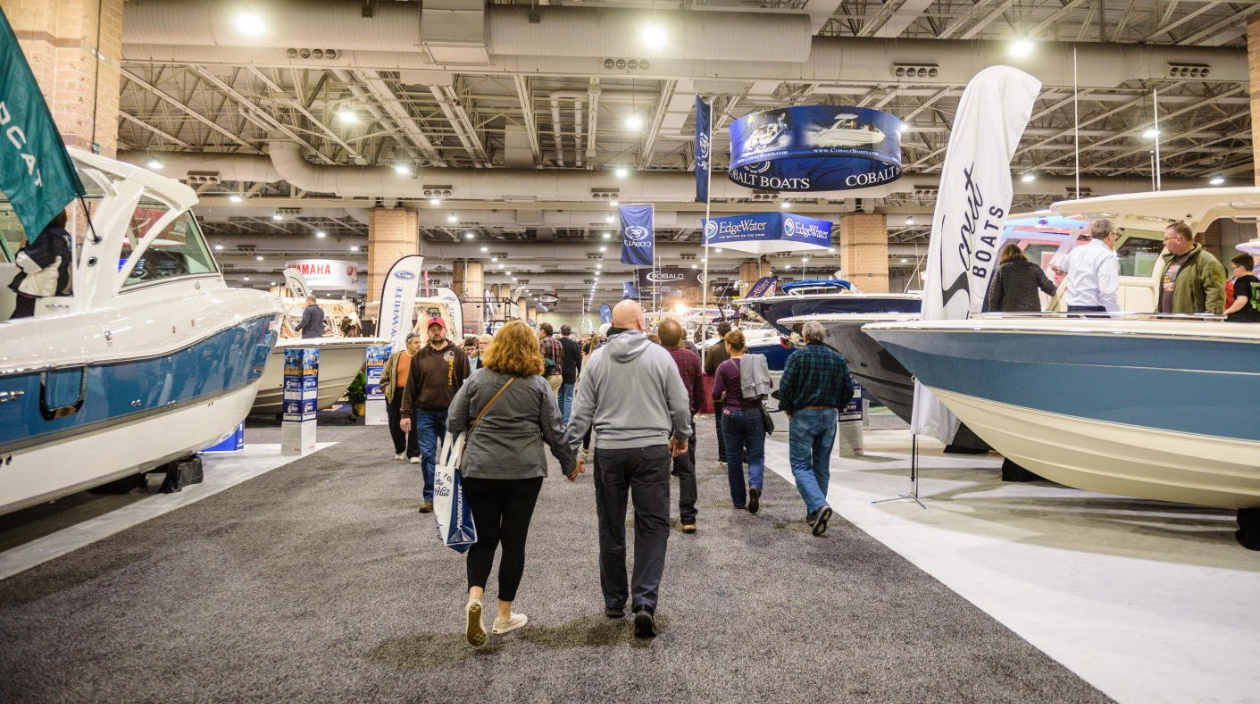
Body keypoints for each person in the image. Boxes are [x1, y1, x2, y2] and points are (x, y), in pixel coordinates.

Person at [562, 300, 690, 639]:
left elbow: (581, 411)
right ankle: (645, 602)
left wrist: (569, 451)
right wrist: (681, 435)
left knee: (611, 525)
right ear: (639, 321)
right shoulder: (660, 355)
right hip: (651, 450)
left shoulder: (598, 360)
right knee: (652, 525)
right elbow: (680, 403)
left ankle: (615, 601)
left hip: (609, 451)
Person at [447, 320, 576, 647]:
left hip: (479, 471)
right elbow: (554, 430)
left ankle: (475, 597)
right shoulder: (538, 385)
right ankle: (504, 617)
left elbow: (453, 420)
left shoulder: (476, 379)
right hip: (524, 472)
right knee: (514, 542)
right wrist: (569, 463)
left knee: (484, 539)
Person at [777, 321, 854, 536]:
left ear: (805, 337)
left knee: (801, 466)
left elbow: (785, 386)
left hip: (804, 414)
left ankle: (819, 506)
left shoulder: (797, 357)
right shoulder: (838, 359)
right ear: (823, 337)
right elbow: (848, 389)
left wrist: (788, 408)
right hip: (829, 415)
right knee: (821, 466)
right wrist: (836, 405)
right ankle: (814, 515)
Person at [400, 316, 472, 512]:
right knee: (428, 457)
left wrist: (469, 415)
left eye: (438, 328)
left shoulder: (459, 355)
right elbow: (410, 388)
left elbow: (467, 387)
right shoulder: (419, 357)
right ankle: (430, 497)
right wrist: (405, 414)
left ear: (445, 329)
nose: (436, 332)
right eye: (432, 329)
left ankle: (455, 496)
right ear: (427, 332)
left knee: (453, 457)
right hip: (425, 414)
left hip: (453, 414)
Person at [711, 329, 767, 514]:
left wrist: (726, 394)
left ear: (728, 346)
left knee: (733, 458)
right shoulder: (754, 363)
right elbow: (768, 384)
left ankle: (738, 500)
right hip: (753, 413)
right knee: (756, 455)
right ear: (743, 345)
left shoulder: (724, 367)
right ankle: (755, 486)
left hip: (731, 414)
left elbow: (715, 394)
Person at [656, 318, 704, 534]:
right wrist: (693, 410)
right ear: (681, 337)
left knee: (657, 472)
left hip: (657, 422)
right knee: (687, 471)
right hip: (685, 420)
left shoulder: (653, 358)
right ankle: (688, 518)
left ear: (659, 337)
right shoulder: (691, 357)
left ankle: (660, 517)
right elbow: (700, 391)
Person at [8, 211, 72, 320]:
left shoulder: (48, 236)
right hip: (49, 288)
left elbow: (29, 263)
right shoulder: (63, 234)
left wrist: (23, 248)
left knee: (19, 328)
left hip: (36, 291)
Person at [1157, 222, 1226, 315]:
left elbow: (1215, 294)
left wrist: (1211, 321)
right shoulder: (1170, 261)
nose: (1164, 242)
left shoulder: (1206, 261)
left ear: (1178, 239)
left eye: (1166, 239)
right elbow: (1167, 291)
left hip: (1190, 324)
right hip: (1168, 323)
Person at [1060, 219, 1121, 314]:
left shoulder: (1076, 251)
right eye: (1116, 235)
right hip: (1094, 312)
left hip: (1072, 310)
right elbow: (1107, 293)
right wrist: (1116, 317)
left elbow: (1060, 265)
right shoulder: (1107, 256)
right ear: (1110, 235)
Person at [379, 332, 422, 462]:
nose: (419, 345)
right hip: (396, 395)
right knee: (394, 424)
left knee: (415, 424)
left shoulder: (422, 358)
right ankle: (400, 449)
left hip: (415, 396)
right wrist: (387, 390)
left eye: (420, 342)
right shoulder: (396, 357)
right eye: (416, 342)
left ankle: (414, 453)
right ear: (408, 344)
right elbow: (384, 377)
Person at [986, 243, 1057, 312]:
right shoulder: (1033, 268)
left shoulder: (1001, 270)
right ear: (1021, 254)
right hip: (1032, 315)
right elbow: (1049, 288)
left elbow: (993, 297)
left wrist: (993, 316)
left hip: (1010, 316)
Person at [704, 321, 733, 468]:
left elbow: (708, 369)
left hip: (720, 392)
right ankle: (741, 454)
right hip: (738, 392)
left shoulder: (714, 349)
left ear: (719, 333)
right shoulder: (742, 348)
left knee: (721, 425)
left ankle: (724, 456)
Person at [557, 324, 583, 424]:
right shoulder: (574, 344)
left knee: (560, 396)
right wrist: (579, 372)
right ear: (570, 332)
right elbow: (578, 359)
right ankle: (565, 421)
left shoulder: (557, 343)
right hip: (570, 374)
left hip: (558, 373)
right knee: (568, 397)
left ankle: (559, 417)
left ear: (561, 331)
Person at [1224, 254, 1260, 323]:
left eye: (1233, 268)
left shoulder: (1241, 281)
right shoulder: (1257, 280)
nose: (1233, 271)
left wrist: (1227, 312)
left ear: (1241, 268)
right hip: (1257, 318)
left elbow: (1241, 301)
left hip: (1243, 319)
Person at [537, 322, 564, 395]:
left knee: (544, 402)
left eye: (539, 331)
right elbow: (561, 360)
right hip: (558, 376)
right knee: (554, 402)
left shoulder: (543, 342)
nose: (538, 333)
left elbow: (539, 359)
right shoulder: (559, 343)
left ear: (543, 331)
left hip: (548, 376)